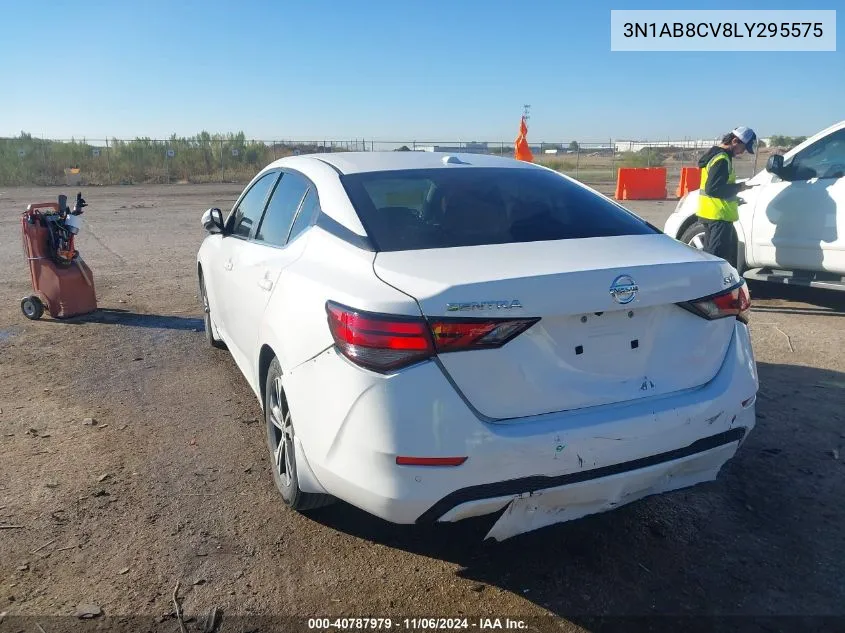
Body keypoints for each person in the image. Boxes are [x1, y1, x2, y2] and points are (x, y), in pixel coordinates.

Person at [696, 126, 758, 264]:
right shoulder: (722, 159)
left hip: (711, 214)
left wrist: (734, 199)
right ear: (735, 141)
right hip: (719, 217)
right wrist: (739, 187)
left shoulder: (715, 155)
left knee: (710, 257)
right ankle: (712, 284)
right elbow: (713, 189)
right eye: (743, 148)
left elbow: (716, 188)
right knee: (716, 259)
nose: (742, 152)